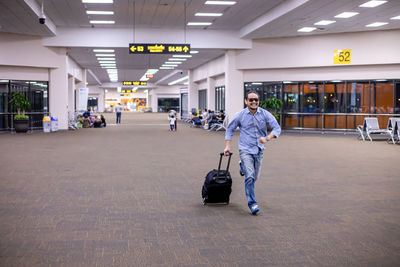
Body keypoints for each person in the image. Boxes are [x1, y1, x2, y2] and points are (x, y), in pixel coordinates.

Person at [224, 91, 281, 215]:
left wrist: (267, 138)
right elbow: (230, 129)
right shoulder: (240, 115)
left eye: (256, 99)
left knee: (255, 177)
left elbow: (277, 128)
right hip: (245, 148)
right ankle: (252, 203)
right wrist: (227, 146)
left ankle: (242, 166)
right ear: (246, 101)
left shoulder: (265, 114)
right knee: (249, 177)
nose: (254, 102)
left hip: (259, 149)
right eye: (251, 100)